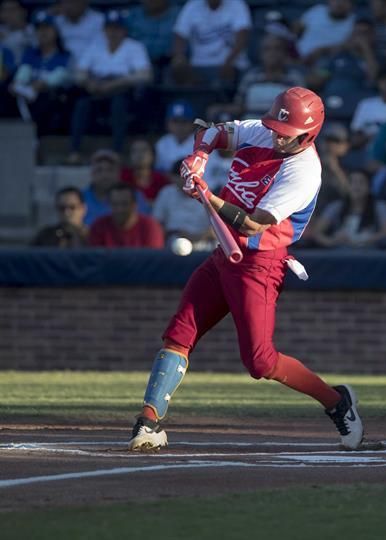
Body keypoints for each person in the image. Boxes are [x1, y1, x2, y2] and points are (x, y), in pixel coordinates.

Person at [128, 87, 365, 451]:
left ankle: (336, 401)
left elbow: (253, 225)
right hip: (224, 253)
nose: (276, 137)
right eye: (274, 128)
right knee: (180, 331)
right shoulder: (265, 131)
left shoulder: (303, 170)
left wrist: (206, 194)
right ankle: (148, 420)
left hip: (259, 262)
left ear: (309, 134)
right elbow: (213, 132)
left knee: (260, 361)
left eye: (286, 135)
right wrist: (198, 160)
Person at [67, 10, 152, 160]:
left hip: (124, 91)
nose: (113, 32)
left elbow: (145, 75)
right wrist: (89, 83)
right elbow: (79, 73)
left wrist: (117, 83)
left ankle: (117, 151)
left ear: (124, 30)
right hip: (97, 90)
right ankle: (74, 151)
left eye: (117, 28)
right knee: (81, 105)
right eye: (110, 28)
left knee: (118, 104)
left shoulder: (134, 47)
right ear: (104, 30)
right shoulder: (95, 46)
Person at [7, 11, 71, 135]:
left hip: (53, 97)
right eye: (39, 29)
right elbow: (23, 72)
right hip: (28, 96)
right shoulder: (31, 53)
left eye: (47, 28)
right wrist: (17, 83)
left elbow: (61, 76)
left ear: (56, 31)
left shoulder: (64, 55)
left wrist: (42, 84)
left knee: (45, 99)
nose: (43, 32)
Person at [170, 0, 251, 89]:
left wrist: (229, 61)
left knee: (229, 73)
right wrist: (179, 57)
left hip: (231, 65)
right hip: (198, 66)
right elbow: (180, 35)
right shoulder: (192, 5)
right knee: (178, 68)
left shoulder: (237, 4)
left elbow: (242, 38)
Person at [310, 168, 386, 248]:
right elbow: (316, 233)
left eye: (361, 182)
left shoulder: (380, 207)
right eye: (352, 182)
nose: (356, 186)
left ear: (369, 187)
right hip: (341, 253)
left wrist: (365, 239)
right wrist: (331, 241)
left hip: (370, 254)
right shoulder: (335, 206)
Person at [82, 149, 149, 226]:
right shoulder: (79, 198)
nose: (105, 175)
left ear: (119, 172)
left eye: (110, 170)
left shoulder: (135, 197)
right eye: (99, 170)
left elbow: (143, 226)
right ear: (91, 172)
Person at [88, 183, 164, 248]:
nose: (119, 209)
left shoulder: (150, 227)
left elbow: (152, 261)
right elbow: (95, 260)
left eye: (124, 204)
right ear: (109, 204)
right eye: (115, 204)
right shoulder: (98, 226)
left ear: (134, 205)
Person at [349, 62, 386, 150]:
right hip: (365, 150)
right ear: (379, 83)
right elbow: (356, 133)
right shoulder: (366, 104)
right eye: (385, 80)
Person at [121, 139, 171, 204]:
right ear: (129, 156)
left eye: (144, 150)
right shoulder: (122, 177)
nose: (139, 154)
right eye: (135, 151)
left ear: (153, 156)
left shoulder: (162, 180)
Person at [154, 100, 196, 172]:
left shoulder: (202, 143)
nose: (179, 126)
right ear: (167, 123)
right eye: (175, 121)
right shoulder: (162, 143)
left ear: (192, 123)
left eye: (184, 121)